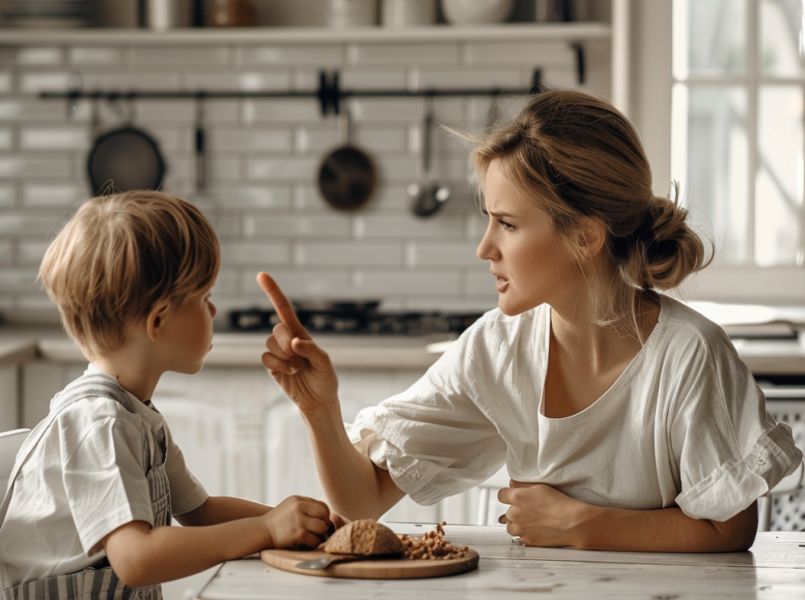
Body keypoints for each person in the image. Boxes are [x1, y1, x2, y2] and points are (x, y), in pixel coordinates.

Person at [256, 89, 803, 553]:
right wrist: (320, 409)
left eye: (507, 225)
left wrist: (582, 524)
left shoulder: (688, 354)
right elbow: (362, 500)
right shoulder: (495, 350)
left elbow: (731, 526)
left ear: (585, 236)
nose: (484, 248)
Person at [0, 191, 334, 599]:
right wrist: (266, 529)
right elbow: (136, 559)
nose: (213, 313)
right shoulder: (100, 423)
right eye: (205, 298)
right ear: (158, 320)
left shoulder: (137, 415)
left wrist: (306, 524)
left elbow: (199, 511)